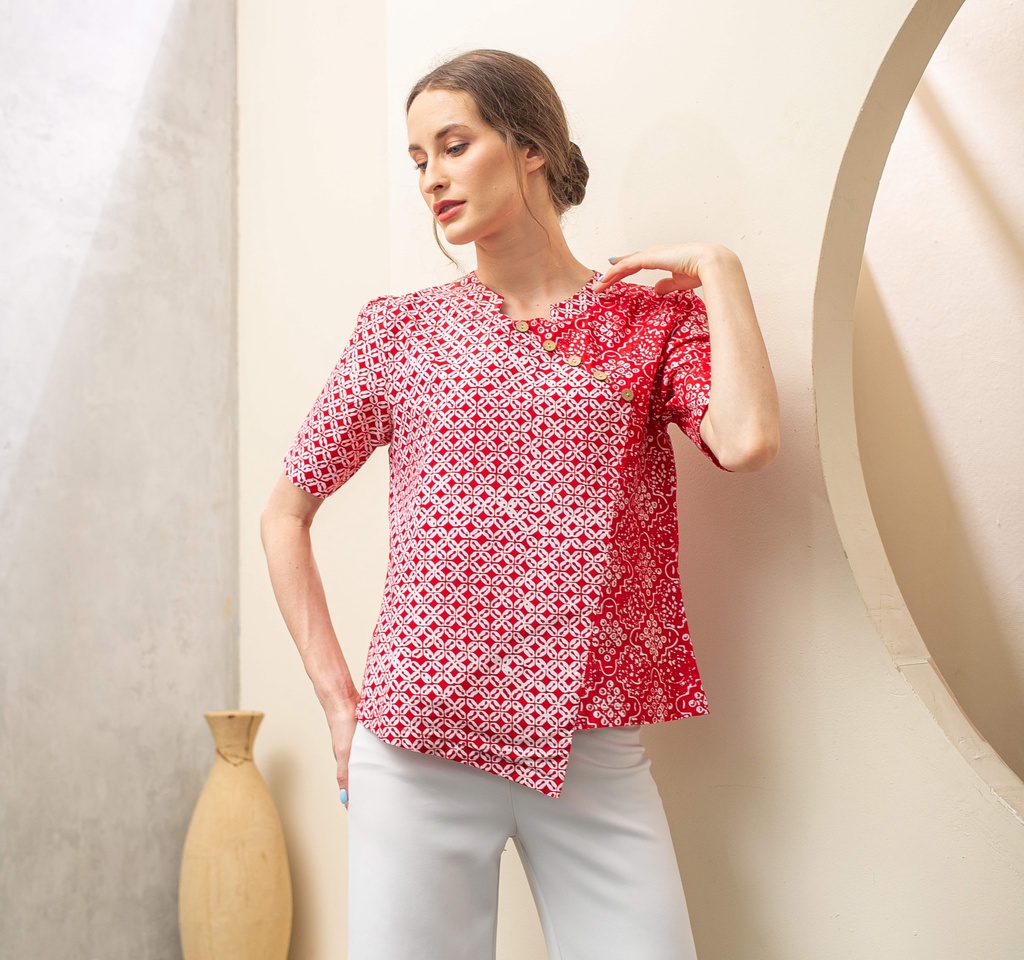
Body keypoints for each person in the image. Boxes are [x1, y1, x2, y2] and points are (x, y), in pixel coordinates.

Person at [261, 48, 779, 960]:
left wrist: (720, 269)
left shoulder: (649, 324)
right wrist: (341, 705)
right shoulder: (399, 330)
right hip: (416, 747)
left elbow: (745, 441)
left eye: (454, 146)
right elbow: (285, 514)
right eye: (418, 159)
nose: (432, 177)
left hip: (592, 751)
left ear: (530, 145)